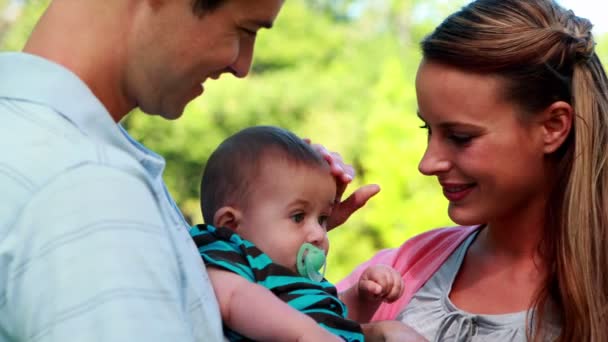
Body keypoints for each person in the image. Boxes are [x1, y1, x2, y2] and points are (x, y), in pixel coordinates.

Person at [0, 1, 381, 341]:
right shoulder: (89, 185)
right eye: (244, 30)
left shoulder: (46, 147)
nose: (242, 65)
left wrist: (283, 234)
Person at [337, 0, 608, 341]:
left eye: (460, 137)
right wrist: (296, 234)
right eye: (428, 130)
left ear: (553, 126)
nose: (427, 163)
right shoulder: (402, 269)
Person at [190, 125, 406, 341]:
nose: (319, 234)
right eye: (298, 216)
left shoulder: (302, 281)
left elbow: (334, 322)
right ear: (230, 225)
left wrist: (362, 297)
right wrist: (305, 333)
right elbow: (234, 299)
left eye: (322, 219)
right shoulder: (228, 255)